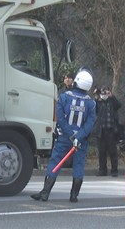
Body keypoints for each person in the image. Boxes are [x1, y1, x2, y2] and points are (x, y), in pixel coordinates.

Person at [31, 69, 97, 203]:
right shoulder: (91, 103)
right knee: (78, 165)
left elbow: (60, 118)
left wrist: (70, 134)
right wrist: (78, 136)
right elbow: (90, 123)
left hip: (64, 138)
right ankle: (74, 196)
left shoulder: (65, 97)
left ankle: (45, 193)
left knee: (55, 162)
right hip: (81, 141)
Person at [92, 87, 122, 177]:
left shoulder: (112, 102)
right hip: (101, 130)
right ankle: (102, 170)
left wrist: (111, 96)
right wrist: (96, 97)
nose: (104, 94)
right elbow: (93, 109)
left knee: (113, 151)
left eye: (106, 92)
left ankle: (114, 170)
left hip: (111, 129)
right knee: (101, 151)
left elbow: (118, 105)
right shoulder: (98, 102)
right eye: (102, 92)